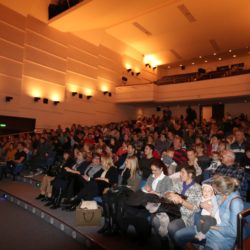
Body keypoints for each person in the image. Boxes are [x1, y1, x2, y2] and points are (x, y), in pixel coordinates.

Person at [174, 176, 244, 250]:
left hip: (220, 238)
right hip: (206, 230)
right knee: (178, 236)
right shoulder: (220, 195)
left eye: (215, 190)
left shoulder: (236, 203)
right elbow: (204, 183)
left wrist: (212, 226)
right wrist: (202, 204)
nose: (214, 191)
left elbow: (234, 232)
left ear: (222, 190)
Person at [98, 155, 141, 235]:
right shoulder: (125, 171)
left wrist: (122, 187)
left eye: (127, 161)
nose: (125, 162)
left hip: (129, 194)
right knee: (106, 196)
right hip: (121, 190)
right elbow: (119, 184)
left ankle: (115, 226)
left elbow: (134, 189)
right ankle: (107, 224)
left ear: (132, 163)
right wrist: (115, 187)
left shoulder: (137, 173)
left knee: (113, 199)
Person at [164, 165, 202, 248]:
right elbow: (166, 192)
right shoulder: (178, 184)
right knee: (156, 219)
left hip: (186, 217)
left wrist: (181, 201)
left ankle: (180, 246)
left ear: (190, 175)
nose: (180, 174)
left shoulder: (198, 188)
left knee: (172, 226)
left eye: (182, 172)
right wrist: (170, 194)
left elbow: (196, 208)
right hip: (173, 211)